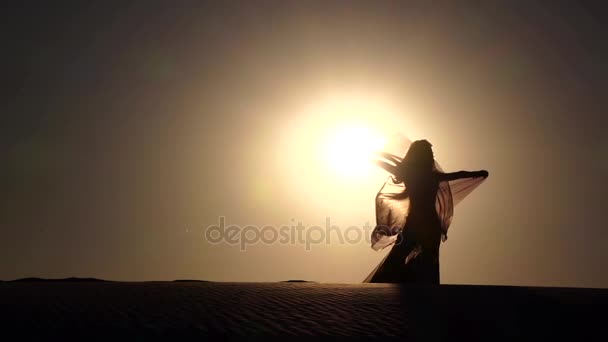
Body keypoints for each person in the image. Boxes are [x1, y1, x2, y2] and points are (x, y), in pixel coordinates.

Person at [364, 139, 488, 284]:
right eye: (429, 153)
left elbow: (383, 163)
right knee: (419, 257)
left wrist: (377, 155)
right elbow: (458, 174)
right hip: (425, 223)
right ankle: (397, 289)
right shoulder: (427, 175)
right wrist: (478, 173)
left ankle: (412, 289)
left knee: (412, 256)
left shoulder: (410, 172)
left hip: (421, 223)